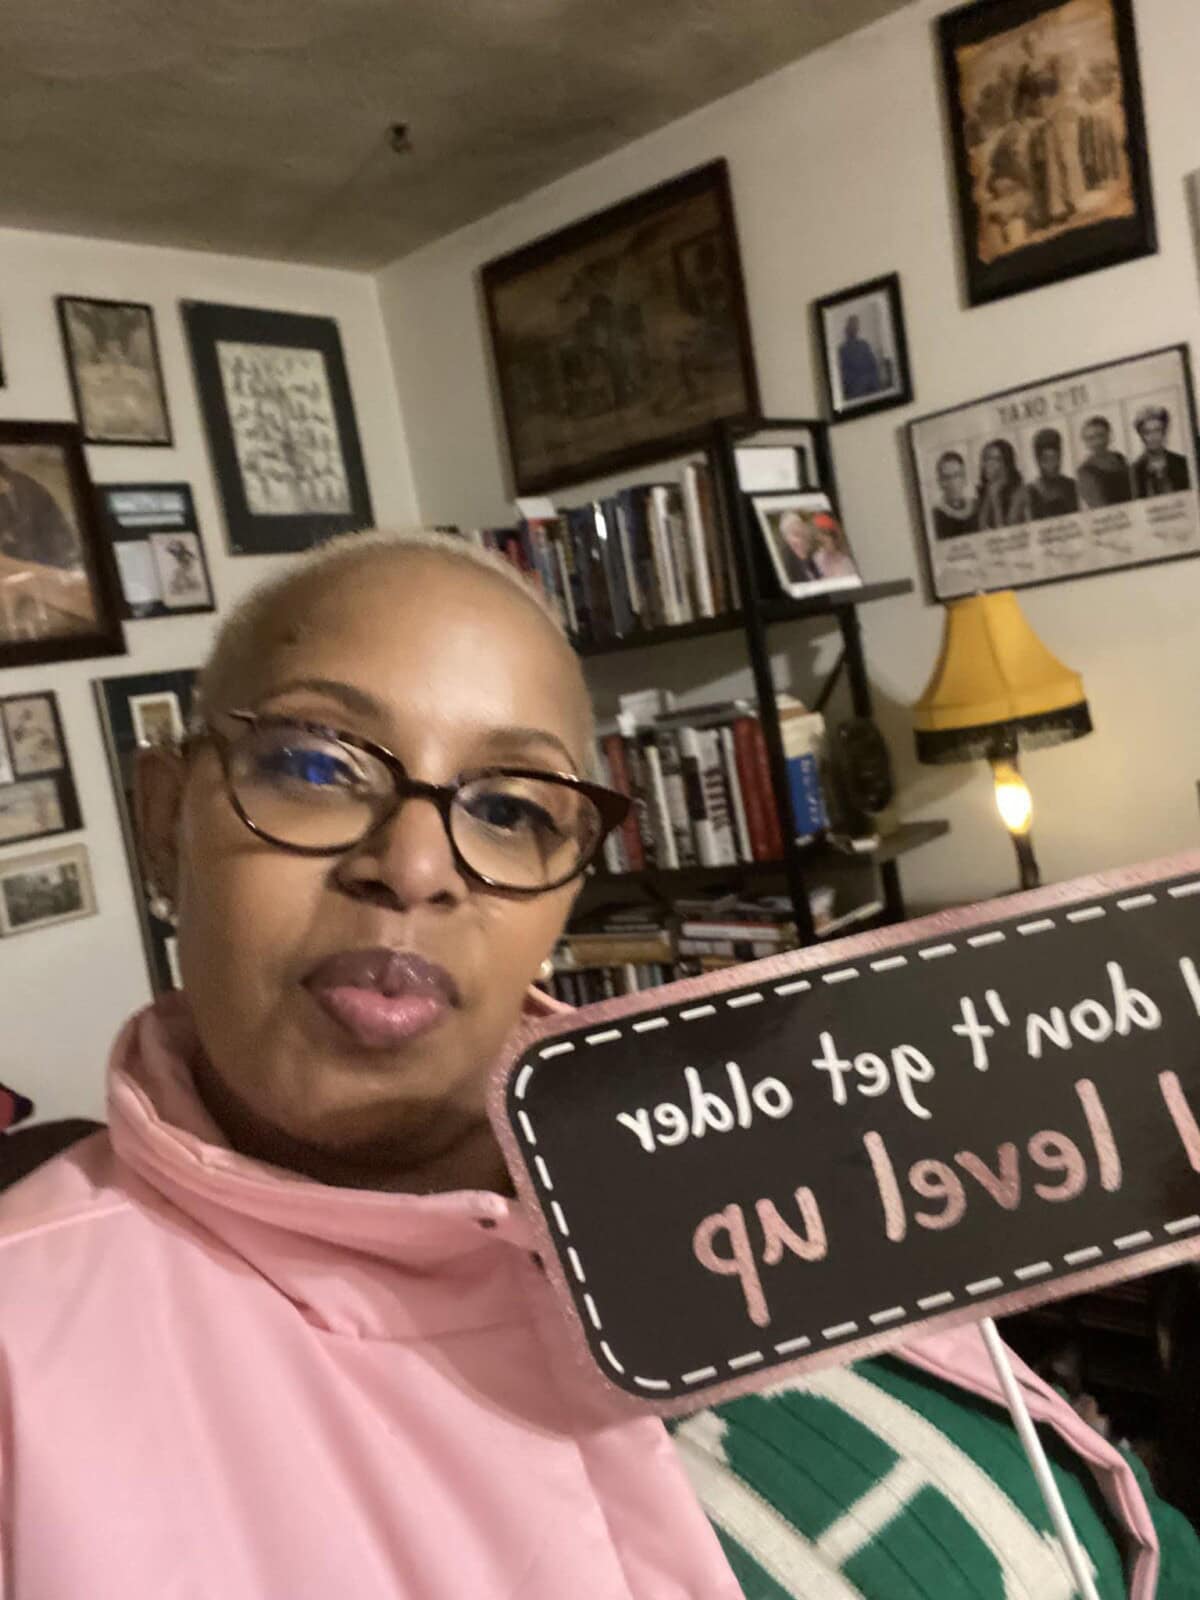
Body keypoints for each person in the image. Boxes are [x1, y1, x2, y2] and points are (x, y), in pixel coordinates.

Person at [0, 529, 1190, 1597]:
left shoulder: (732, 1111)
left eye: (511, 807)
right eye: (317, 765)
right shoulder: (26, 1363)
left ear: (570, 879)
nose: (416, 865)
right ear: (165, 816)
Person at [0, 456, 81, 570]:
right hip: (14, 566)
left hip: (43, 562)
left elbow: (56, 527)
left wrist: (67, 562)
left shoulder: (29, 488)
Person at [1016, 427, 1079, 521]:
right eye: (1045, 459)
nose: (1052, 465)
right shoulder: (1029, 491)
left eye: (1055, 458)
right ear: (1038, 460)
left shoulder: (1072, 485)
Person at [1131, 404, 1191, 498]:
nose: (1153, 437)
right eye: (1147, 432)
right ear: (1141, 436)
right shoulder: (1134, 472)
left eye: (1157, 430)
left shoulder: (1183, 464)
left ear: (1164, 432)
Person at [1076, 415, 1133, 509]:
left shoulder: (1119, 458)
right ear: (1085, 442)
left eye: (1101, 436)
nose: (1098, 442)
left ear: (1108, 435)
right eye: (1091, 438)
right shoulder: (1085, 471)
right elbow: (1098, 505)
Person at [975, 437, 1025, 528]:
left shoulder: (1019, 492)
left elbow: (1006, 531)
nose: (986, 464)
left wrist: (995, 500)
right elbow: (981, 527)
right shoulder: (986, 492)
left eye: (994, 459)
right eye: (985, 459)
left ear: (1006, 463)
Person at [931, 449, 979, 539]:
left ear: (964, 478)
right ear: (940, 482)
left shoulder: (977, 506)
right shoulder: (935, 516)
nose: (953, 483)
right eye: (947, 477)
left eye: (957, 475)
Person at [836, 313, 881, 401]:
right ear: (847, 329)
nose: (854, 329)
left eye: (856, 326)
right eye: (852, 326)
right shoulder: (843, 349)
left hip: (871, 385)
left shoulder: (864, 344)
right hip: (855, 388)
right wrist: (859, 382)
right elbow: (843, 373)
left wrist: (873, 380)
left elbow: (873, 365)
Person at [776, 508, 820, 585]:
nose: (803, 540)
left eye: (803, 533)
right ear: (786, 539)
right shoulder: (785, 567)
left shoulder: (812, 557)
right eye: (796, 534)